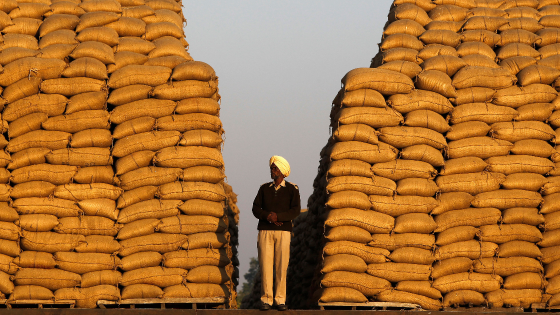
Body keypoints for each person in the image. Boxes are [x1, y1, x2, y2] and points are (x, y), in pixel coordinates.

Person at [252, 155, 301, 311]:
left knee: (281, 266)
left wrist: (278, 217)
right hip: (265, 231)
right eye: (271, 168)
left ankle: (280, 300)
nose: (272, 171)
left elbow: (295, 210)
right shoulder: (264, 188)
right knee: (266, 266)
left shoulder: (292, 189)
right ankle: (266, 299)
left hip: (283, 232)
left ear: (282, 172)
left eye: (275, 168)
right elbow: (255, 208)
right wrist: (268, 216)